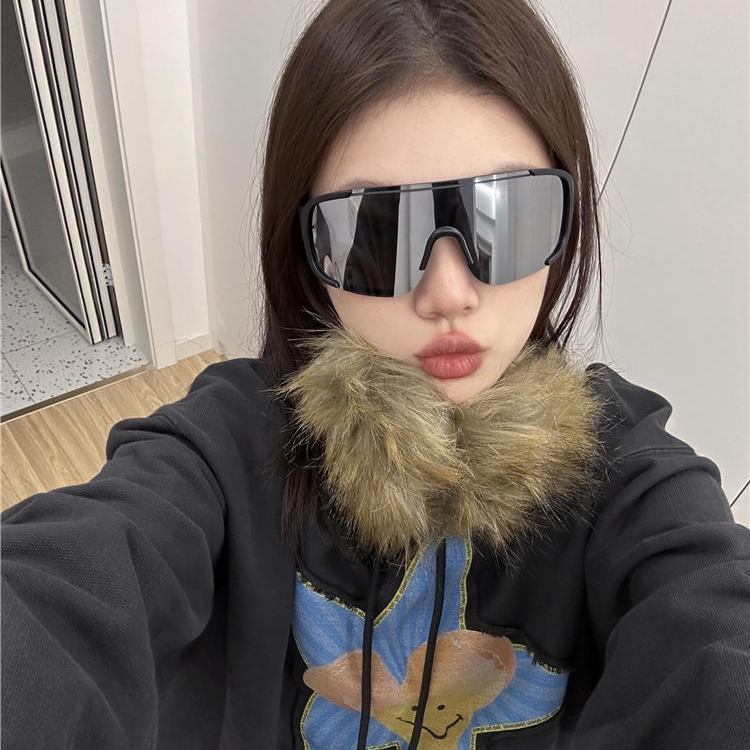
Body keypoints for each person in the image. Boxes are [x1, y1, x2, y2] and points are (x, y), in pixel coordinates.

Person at [2, 0, 749, 748]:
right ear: (306, 252)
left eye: (508, 216)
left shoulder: (622, 466)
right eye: (375, 233)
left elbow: (715, 632)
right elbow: (70, 586)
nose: (448, 293)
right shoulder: (230, 443)